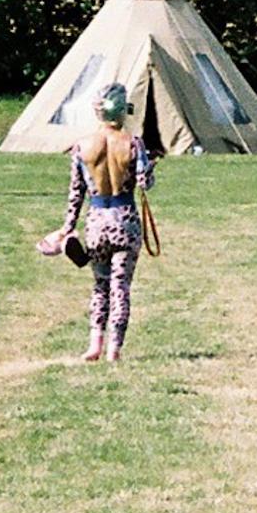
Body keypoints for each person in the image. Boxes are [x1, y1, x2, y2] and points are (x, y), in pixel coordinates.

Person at [65, 80, 158, 362]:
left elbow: (75, 192)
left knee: (99, 284)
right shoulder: (133, 144)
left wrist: (68, 226)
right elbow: (145, 182)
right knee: (120, 286)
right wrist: (151, 165)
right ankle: (114, 348)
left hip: (96, 221)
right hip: (125, 220)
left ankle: (94, 343)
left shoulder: (81, 147)